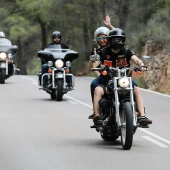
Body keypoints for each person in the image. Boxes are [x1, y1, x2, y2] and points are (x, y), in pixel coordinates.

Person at [90, 28, 152, 126]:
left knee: (136, 90)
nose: (117, 42)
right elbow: (94, 65)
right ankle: (97, 116)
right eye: (114, 40)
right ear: (110, 40)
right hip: (108, 81)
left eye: (119, 40)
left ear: (123, 40)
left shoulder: (126, 51)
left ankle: (142, 116)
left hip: (123, 80)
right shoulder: (104, 51)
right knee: (97, 90)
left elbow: (137, 60)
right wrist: (96, 65)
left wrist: (142, 65)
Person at [88, 15, 114, 119]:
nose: (102, 40)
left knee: (133, 85)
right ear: (97, 40)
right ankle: (95, 109)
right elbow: (92, 66)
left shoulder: (114, 47)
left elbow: (119, 34)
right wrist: (93, 58)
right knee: (94, 83)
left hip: (117, 73)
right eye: (99, 38)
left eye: (104, 37)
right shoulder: (97, 51)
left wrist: (110, 26)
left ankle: (137, 111)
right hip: (105, 74)